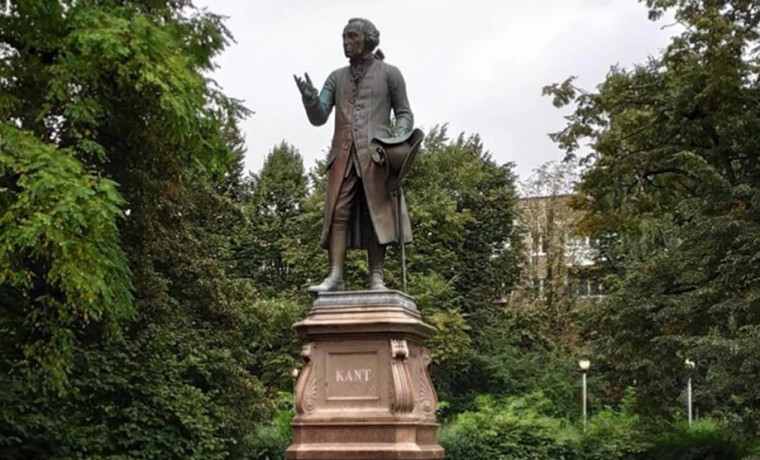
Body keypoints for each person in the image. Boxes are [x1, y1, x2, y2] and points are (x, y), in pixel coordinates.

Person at [294, 17, 416, 292]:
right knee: (338, 213)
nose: (346, 43)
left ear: (368, 40)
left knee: (376, 215)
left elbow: (404, 114)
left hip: (376, 158)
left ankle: (377, 278)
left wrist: (396, 138)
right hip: (343, 157)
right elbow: (319, 117)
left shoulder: (390, 74)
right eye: (344, 37)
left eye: (352, 37)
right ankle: (335, 275)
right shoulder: (336, 77)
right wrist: (310, 99)